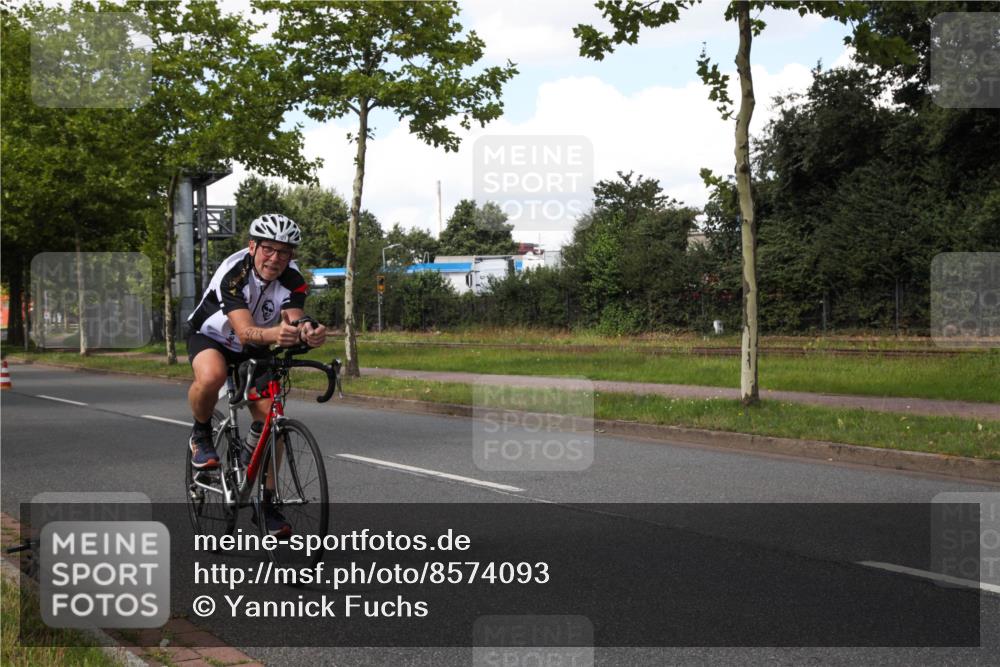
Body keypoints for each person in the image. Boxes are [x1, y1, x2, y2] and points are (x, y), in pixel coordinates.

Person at [186, 213, 327, 535]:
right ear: (253, 247)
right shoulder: (233, 274)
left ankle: (266, 503)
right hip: (212, 337)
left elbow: (294, 316)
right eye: (268, 249)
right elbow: (245, 331)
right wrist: (277, 334)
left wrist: (308, 330)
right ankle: (201, 433)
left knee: (271, 419)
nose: (275, 258)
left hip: (255, 343)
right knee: (212, 376)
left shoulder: (293, 277)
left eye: (284, 252)